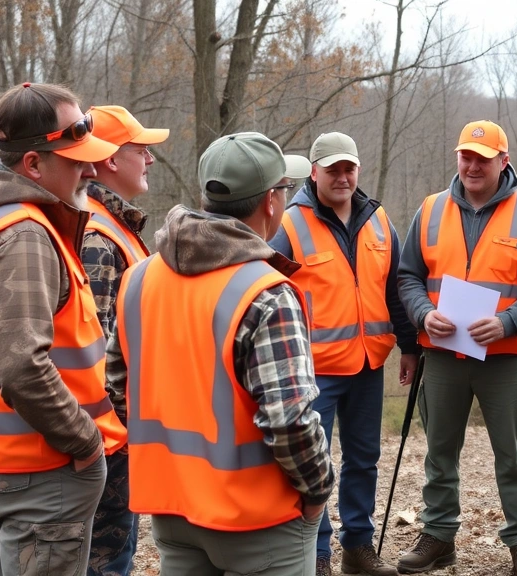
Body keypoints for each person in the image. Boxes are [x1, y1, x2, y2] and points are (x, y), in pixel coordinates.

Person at [106, 132, 335, 575]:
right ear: (271, 201)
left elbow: (116, 389)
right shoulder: (266, 293)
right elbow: (290, 419)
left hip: (172, 509)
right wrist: (318, 492)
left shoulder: (138, 279)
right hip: (260, 520)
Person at [0, 82, 126, 576]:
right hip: (40, 468)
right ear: (34, 165)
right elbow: (20, 364)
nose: (89, 169)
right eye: (76, 158)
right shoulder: (23, 235)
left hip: (3, 462)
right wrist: (84, 443)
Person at [397, 120, 517, 576]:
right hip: (443, 354)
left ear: (503, 163)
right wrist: (422, 315)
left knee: (513, 454)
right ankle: (438, 535)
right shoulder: (429, 210)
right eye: (465, 156)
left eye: (482, 160)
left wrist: (509, 322)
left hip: (504, 358)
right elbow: (408, 275)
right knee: (439, 450)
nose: (471, 166)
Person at [269, 132, 419, 576]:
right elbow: (268, 295)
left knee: (364, 460)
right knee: (311, 463)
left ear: (358, 170)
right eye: (332, 169)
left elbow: (396, 288)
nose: (342, 177)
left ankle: (358, 547)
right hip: (312, 370)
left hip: (369, 365)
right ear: (313, 172)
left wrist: (409, 346)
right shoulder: (289, 224)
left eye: (348, 168)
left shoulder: (379, 220)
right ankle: (314, 554)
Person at [80, 104, 169, 576]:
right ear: (111, 159)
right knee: (105, 558)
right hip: (109, 431)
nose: (151, 159)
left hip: (120, 426)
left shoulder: (116, 226)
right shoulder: (97, 234)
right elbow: (95, 347)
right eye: (142, 149)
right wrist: (118, 428)